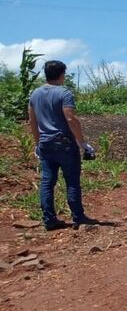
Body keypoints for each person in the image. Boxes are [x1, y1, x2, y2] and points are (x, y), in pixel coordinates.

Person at [27, 60, 98, 231]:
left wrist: (38, 144)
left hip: (45, 143)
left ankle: (49, 219)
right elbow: (71, 119)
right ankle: (78, 217)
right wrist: (82, 143)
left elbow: (33, 121)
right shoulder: (64, 93)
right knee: (72, 181)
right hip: (64, 142)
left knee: (47, 181)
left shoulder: (35, 94)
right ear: (62, 74)